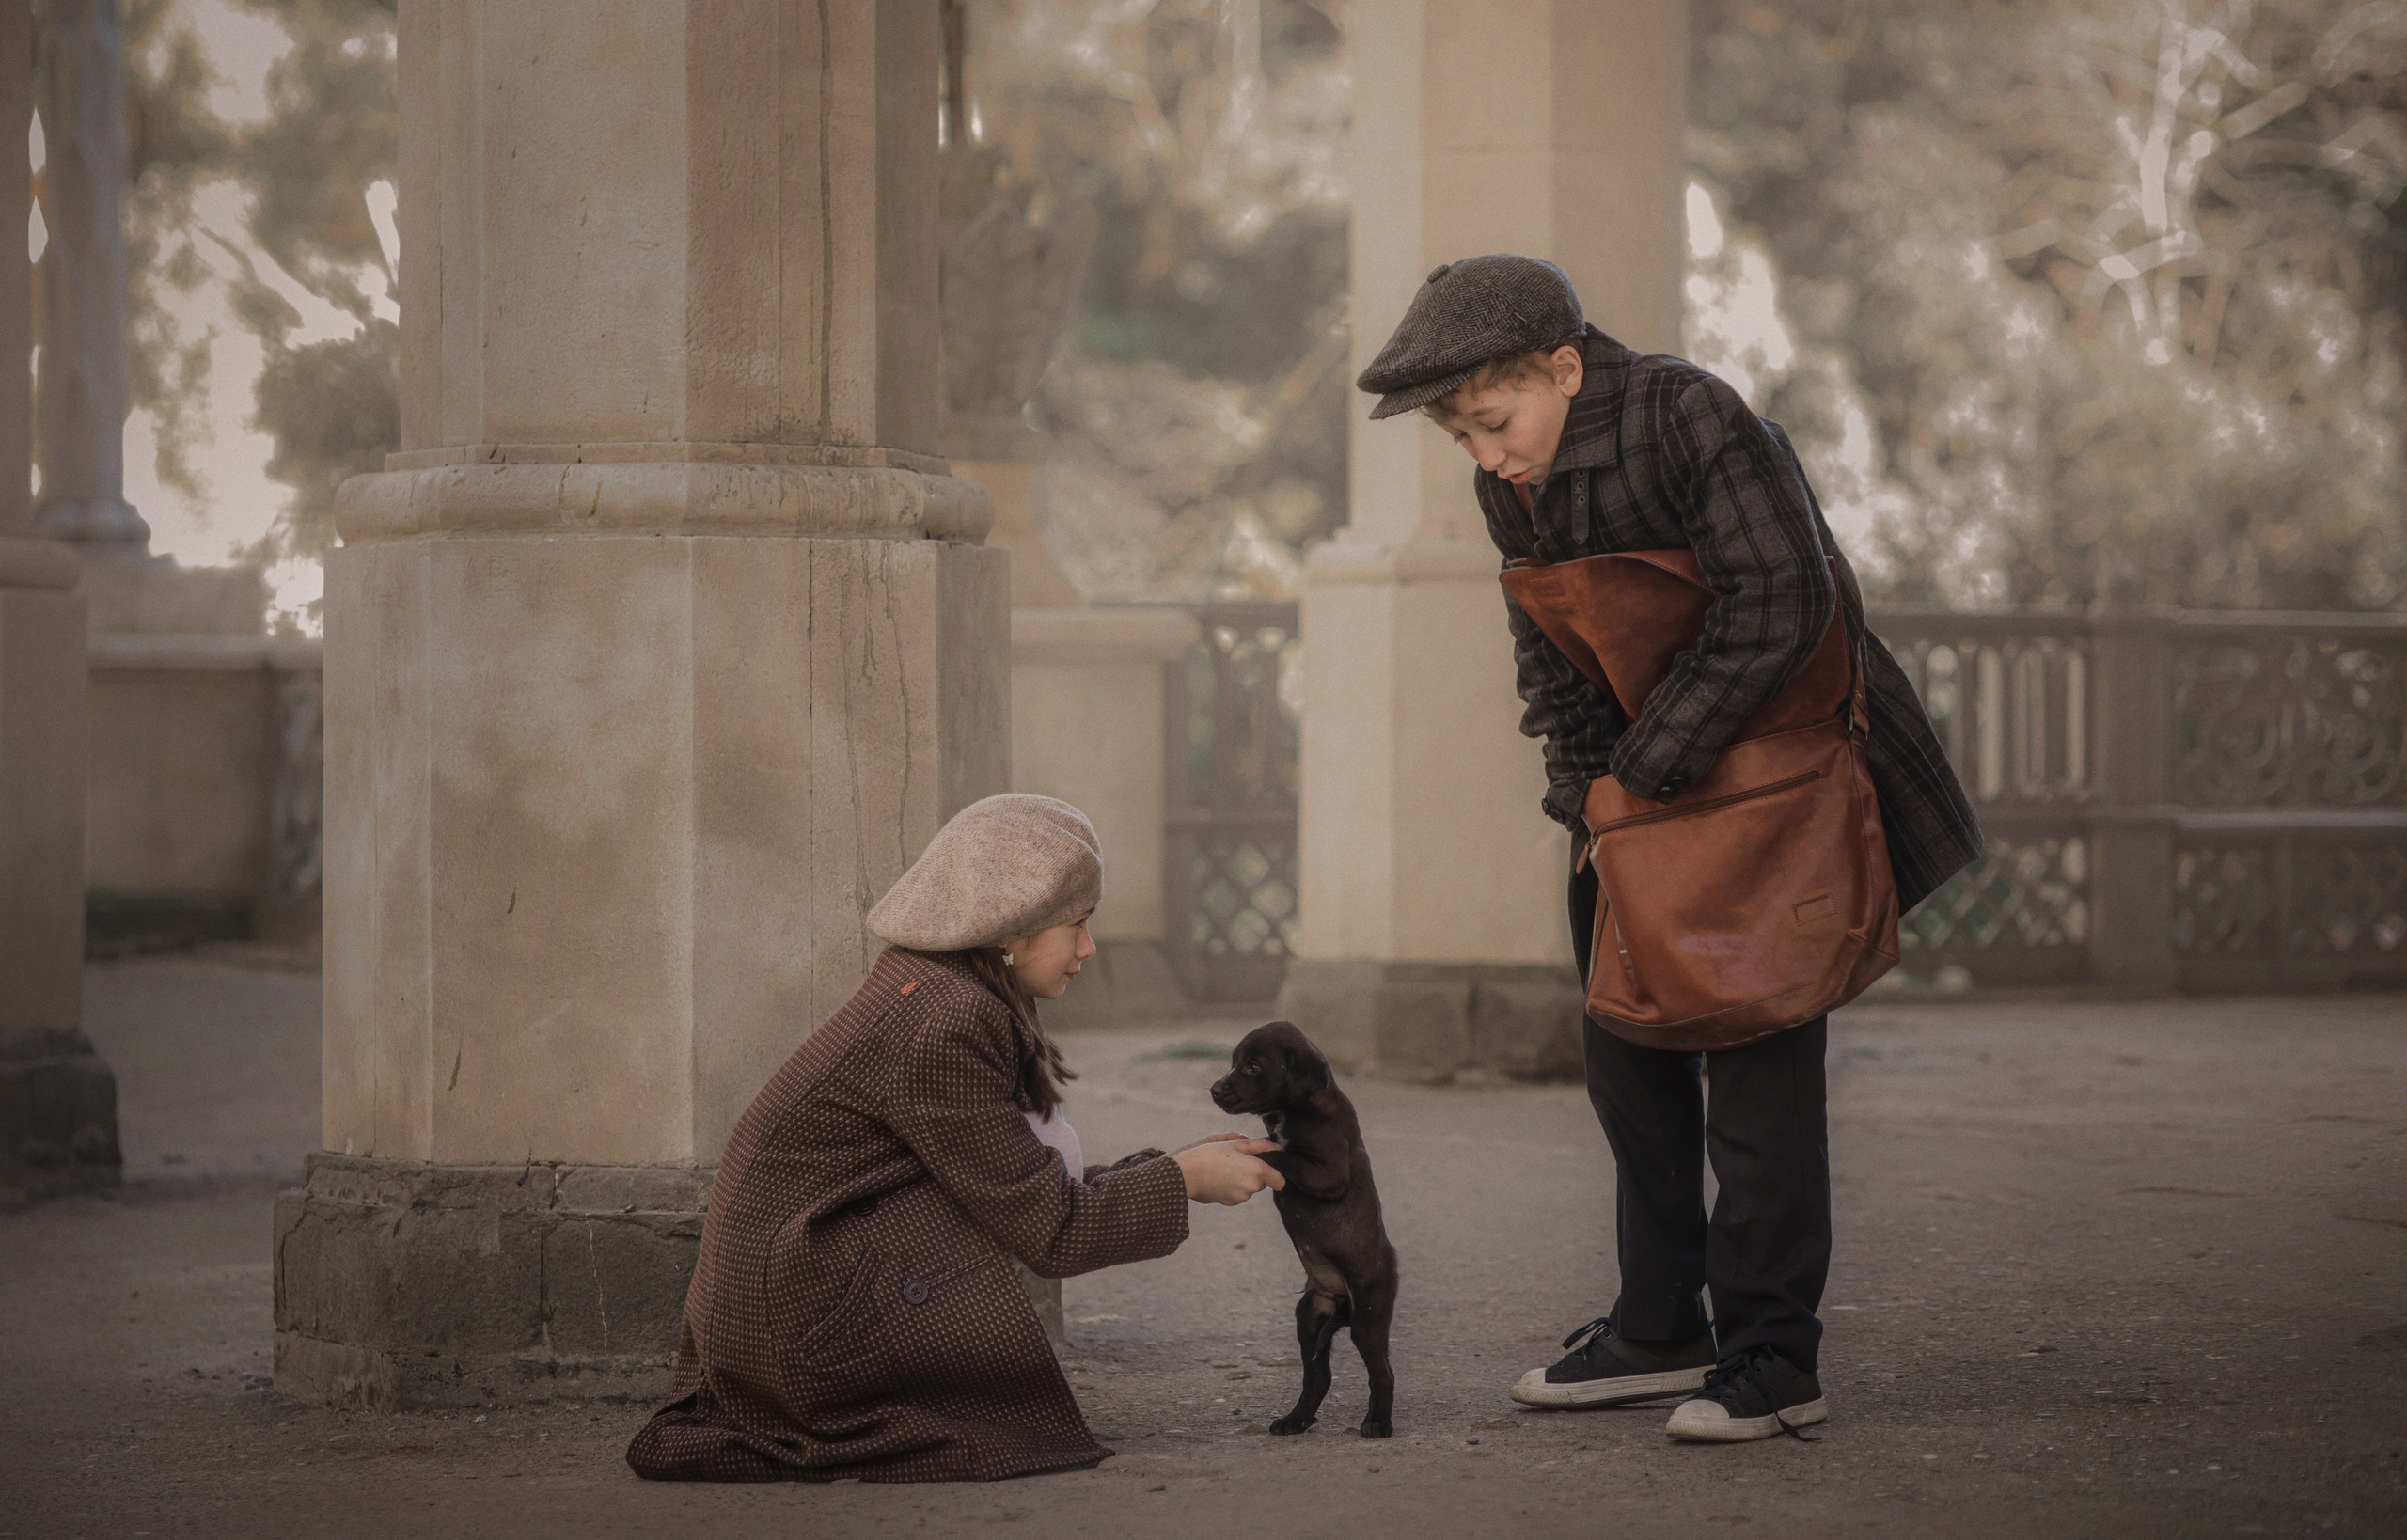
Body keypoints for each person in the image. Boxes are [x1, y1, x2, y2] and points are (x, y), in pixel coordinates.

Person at [1355, 256, 1980, 1443]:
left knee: (1756, 1084)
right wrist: (1587, 799)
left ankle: (1772, 1360)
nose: (1488, 458)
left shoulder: (1689, 413)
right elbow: (1550, 654)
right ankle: (1658, 1329)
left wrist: (1645, 771)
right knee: (1627, 1063)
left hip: (1775, 789)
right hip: (1634, 805)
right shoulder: (1514, 483)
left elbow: (1782, 602)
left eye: (1495, 421)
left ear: (1566, 366)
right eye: (1463, 439)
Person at [626, 794, 1284, 1483]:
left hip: (794, 1298)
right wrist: (1185, 1181)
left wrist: (1177, 1166)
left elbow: (1024, 1184)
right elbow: (1048, 1228)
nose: (1087, 949)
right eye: (1077, 926)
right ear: (1012, 929)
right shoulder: (944, 1022)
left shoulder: (944, 988)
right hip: (799, 1329)